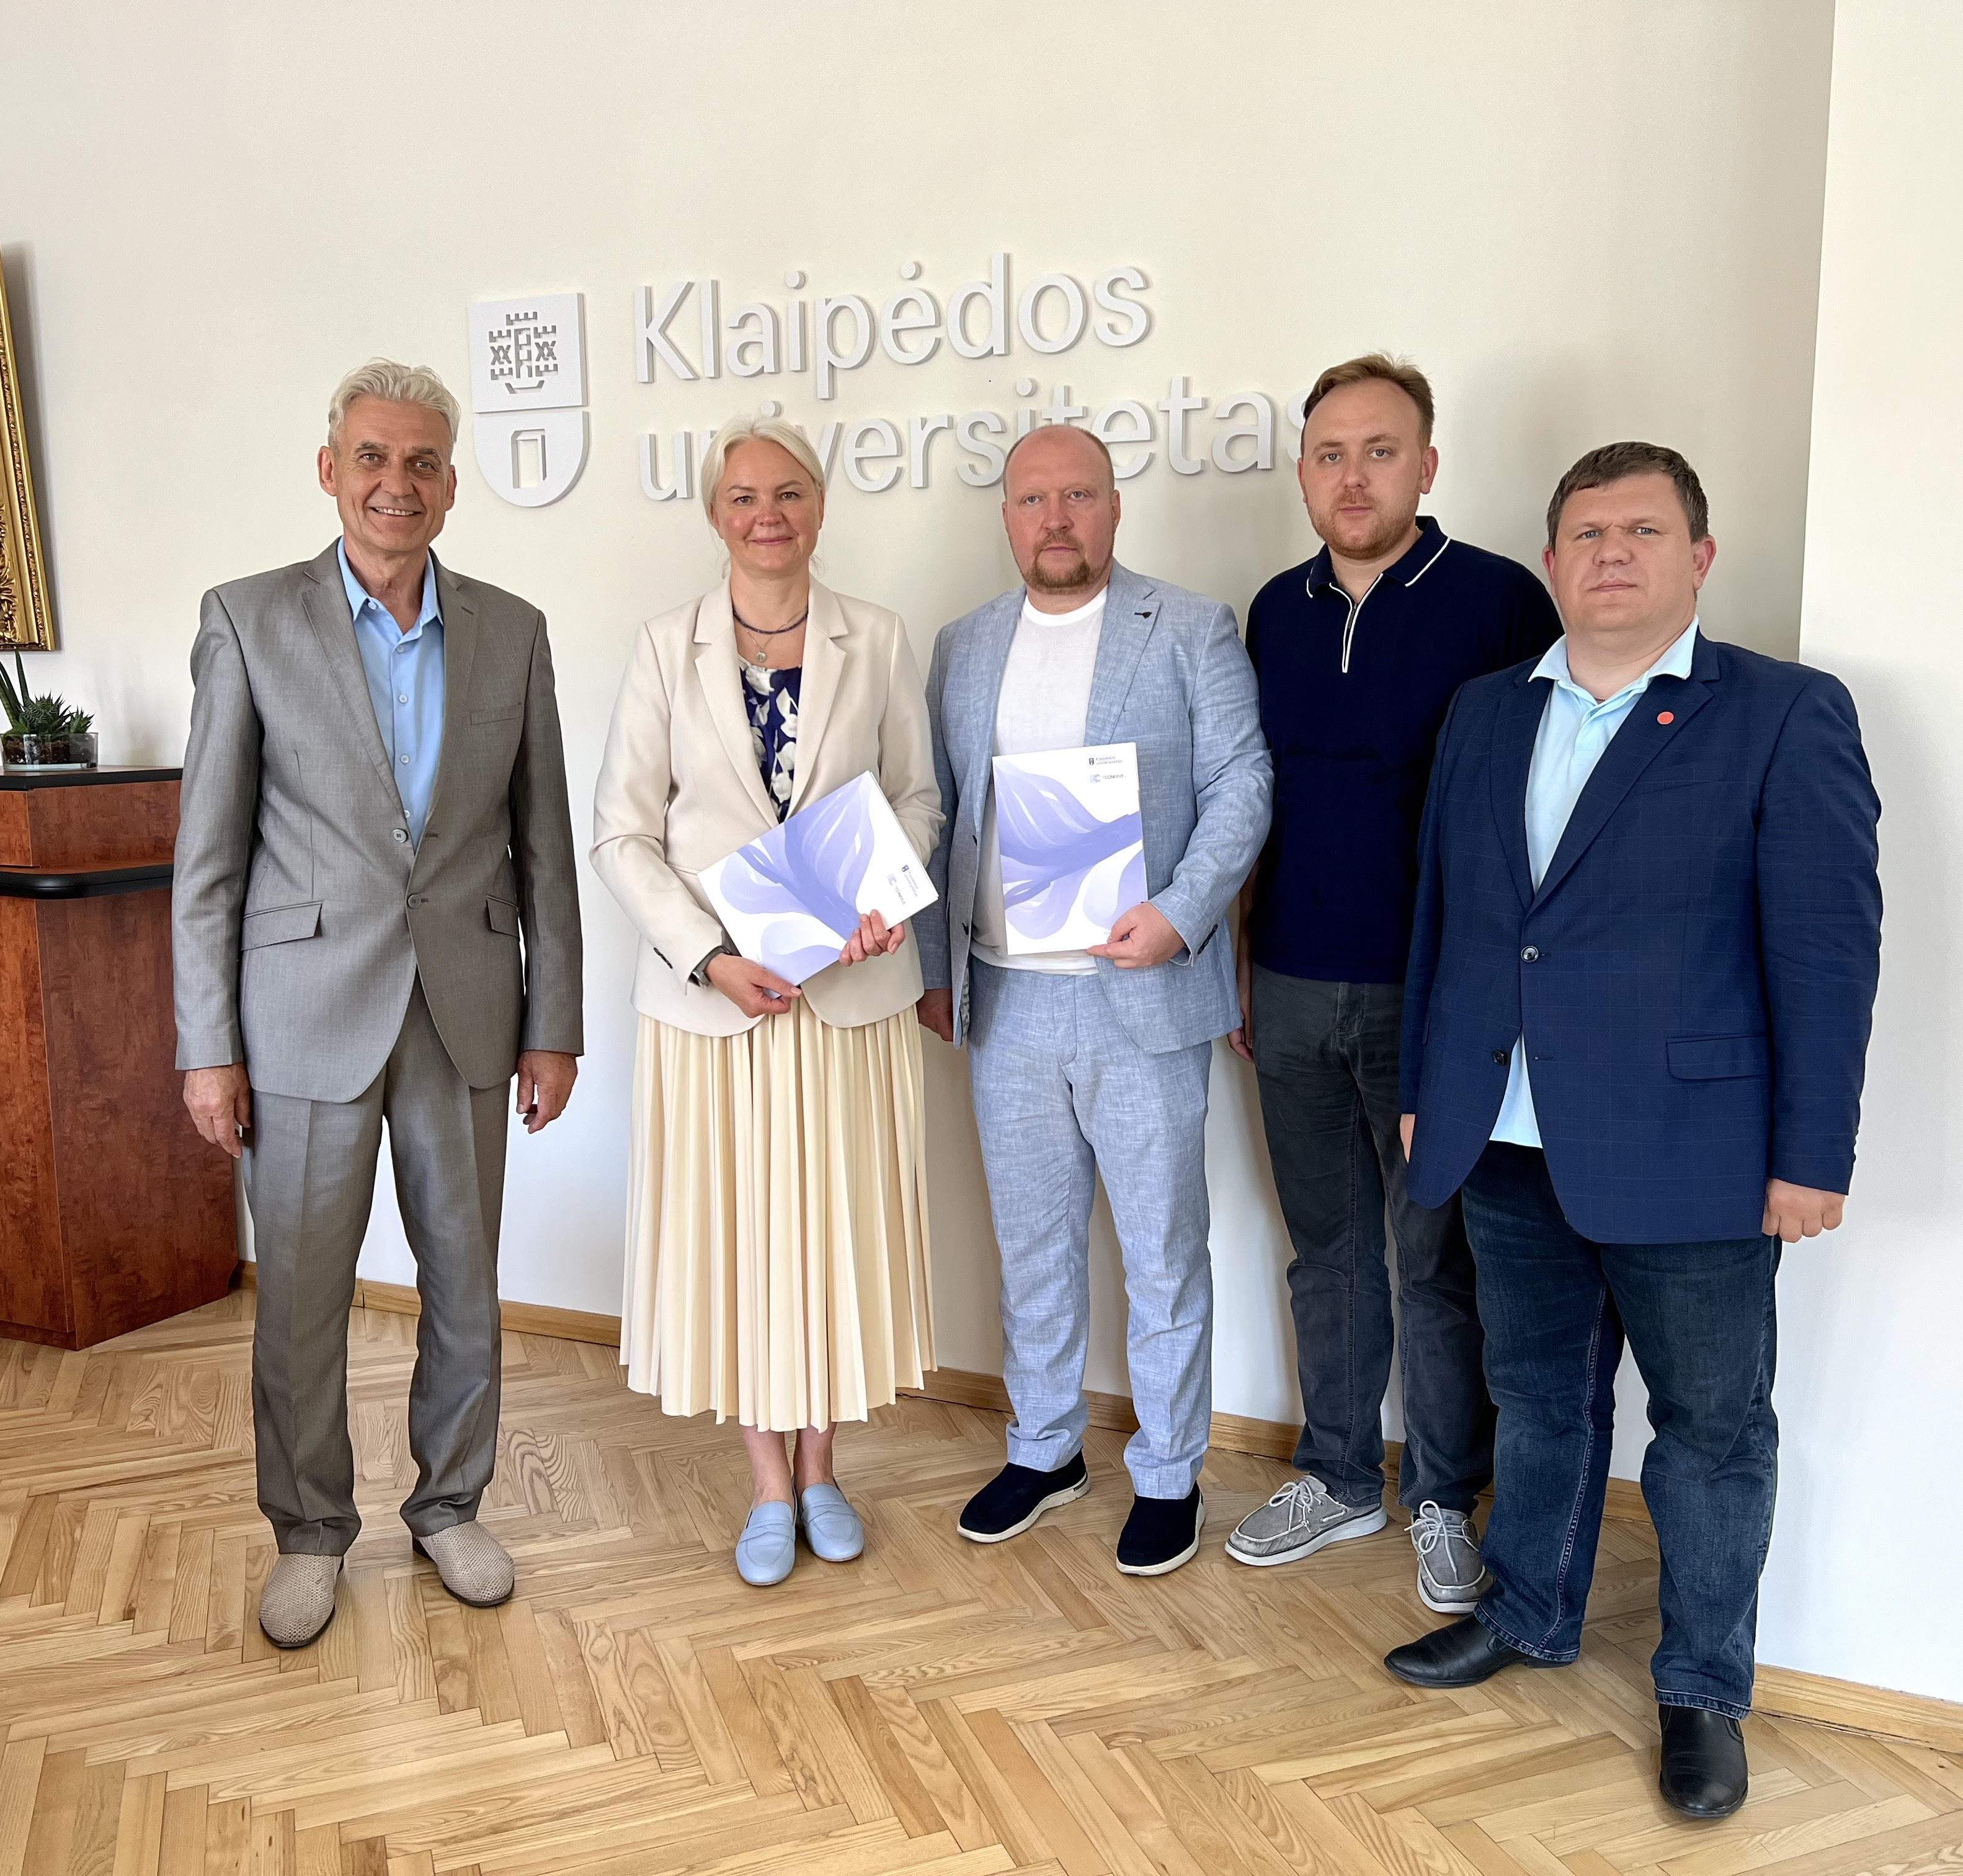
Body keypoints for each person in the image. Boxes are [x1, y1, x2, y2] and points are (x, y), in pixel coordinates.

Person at [1385, 442, 1882, 1820]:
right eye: (1588, 533)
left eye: (1644, 531)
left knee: (1709, 1434)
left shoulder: (1783, 713)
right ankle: (1528, 1610)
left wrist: (1811, 1156)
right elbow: (1446, 920)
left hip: (1696, 1153)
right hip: (1506, 1137)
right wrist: (1429, 1083)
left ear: (1699, 558)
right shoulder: (1485, 712)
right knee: (1540, 1399)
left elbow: (1828, 953)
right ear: (1552, 563)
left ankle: (1703, 1688)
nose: (1612, 553)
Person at [174, 359, 584, 1649]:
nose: (394, 484)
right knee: (301, 1297)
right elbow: (208, 859)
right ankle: (308, 1531)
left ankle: (450, 1505)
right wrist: (206, 1046)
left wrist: (554, 1023)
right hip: (301, 1017)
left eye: (420, 464)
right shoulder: (249, 620)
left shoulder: (513, 630)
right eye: (371, 457)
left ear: (451, 486)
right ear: (329, 470)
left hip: (467, 1008)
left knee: (466, 1283)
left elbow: (545, 849)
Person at [1224, 354, 1557, 1610]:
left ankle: (1443, 1498)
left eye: (1379, 451)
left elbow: (1539, 810)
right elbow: (1256, 800)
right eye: (1330, 454)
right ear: (1304, 474)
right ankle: (1338, 1475)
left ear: (1427, 466)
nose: (1352, 476)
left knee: (1438, 1261)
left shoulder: (1500, 602)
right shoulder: (1276, 610)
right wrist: (1245, 962)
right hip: (1292, 982)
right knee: (1326, 1250)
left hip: (1438, 999)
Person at [590, 414, 943, 1589]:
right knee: (741, 1240)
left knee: (831, 1234)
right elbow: (622, 834)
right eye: (744, 496)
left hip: (847, 999)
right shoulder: (664, 647)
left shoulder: (877, 637)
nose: (768, 514)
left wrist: (886, 899)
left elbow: (919, 801)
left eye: (788, 492)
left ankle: (825, 1469)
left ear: (820, 506)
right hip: (717, 1011)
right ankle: (767, 1485)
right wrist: (708, 957)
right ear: (715, 515)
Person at [914, 421, 1271, 1578]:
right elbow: (940, 813)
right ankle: (1045, 1449)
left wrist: (1182, 911)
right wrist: (935, 969)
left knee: (1163, 1249)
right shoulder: (965, 645)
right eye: (1033, 500)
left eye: (1078, 496)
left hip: (1142, 992)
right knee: (1032, 1247)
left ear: (1115, 507)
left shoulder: (1192, 628)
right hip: (1009, 1000)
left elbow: (1242, 783)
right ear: (1006, 519)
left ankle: (1168, 1472)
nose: (1055, 519)